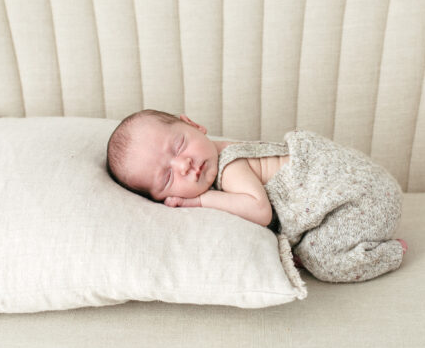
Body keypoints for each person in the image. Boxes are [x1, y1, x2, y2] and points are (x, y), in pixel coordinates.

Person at [106, 109, 407, 283]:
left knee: (320, 260)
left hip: (363, 199)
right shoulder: (217, 154)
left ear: (194, 124)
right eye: (168, 177)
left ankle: (389, 253)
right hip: (362, 186)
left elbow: (260, 211)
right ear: (158, 198)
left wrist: (198, 201)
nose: (184, 164)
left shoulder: (230, 166)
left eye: (179, 145)